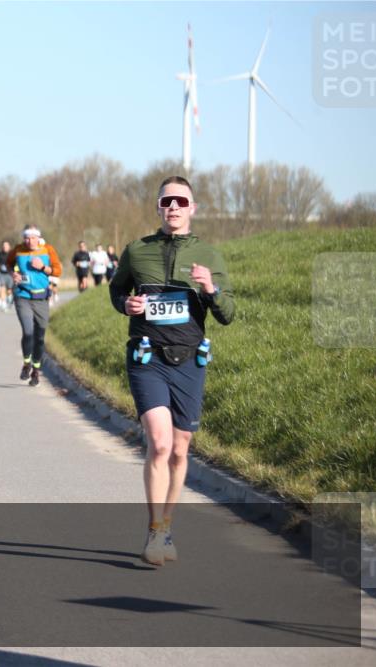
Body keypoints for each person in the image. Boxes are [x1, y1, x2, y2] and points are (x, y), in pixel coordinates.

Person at [109, 176, 235, 567]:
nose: (174, 207)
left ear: (193, 208)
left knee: (181, 449)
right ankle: (155, 531)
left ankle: (167, 524)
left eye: (181, 201)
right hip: (148, 358)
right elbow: (116, 291)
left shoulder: (209, 255)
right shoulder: (137, 250)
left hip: (190, 361)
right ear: (159, 208)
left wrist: (210, 288)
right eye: (167, 202)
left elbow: (227, 314)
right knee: (160, 444)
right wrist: (126, 305)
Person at [6, 227, 62, 386]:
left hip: (41, 298)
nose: (29, 241)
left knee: (39, 336)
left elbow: (58, 271)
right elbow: (8, 264)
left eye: (32, 238)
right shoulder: (18, 250)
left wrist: (43, 267)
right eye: (26, 238)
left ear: (39, 238)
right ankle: (26, 363)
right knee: (28, 331)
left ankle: (36, 369)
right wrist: (13, 274)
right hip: (22, 295)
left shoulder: (48, 250)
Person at [0, 240, 14, 311]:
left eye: (6, 246)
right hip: (2, 274)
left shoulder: (12, 254)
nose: (5, 247)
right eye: (4, 246)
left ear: (9, 247)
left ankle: (9, 301)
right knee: (2, 288)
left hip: (10, 274)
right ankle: (4, 304)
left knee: (9, 290)